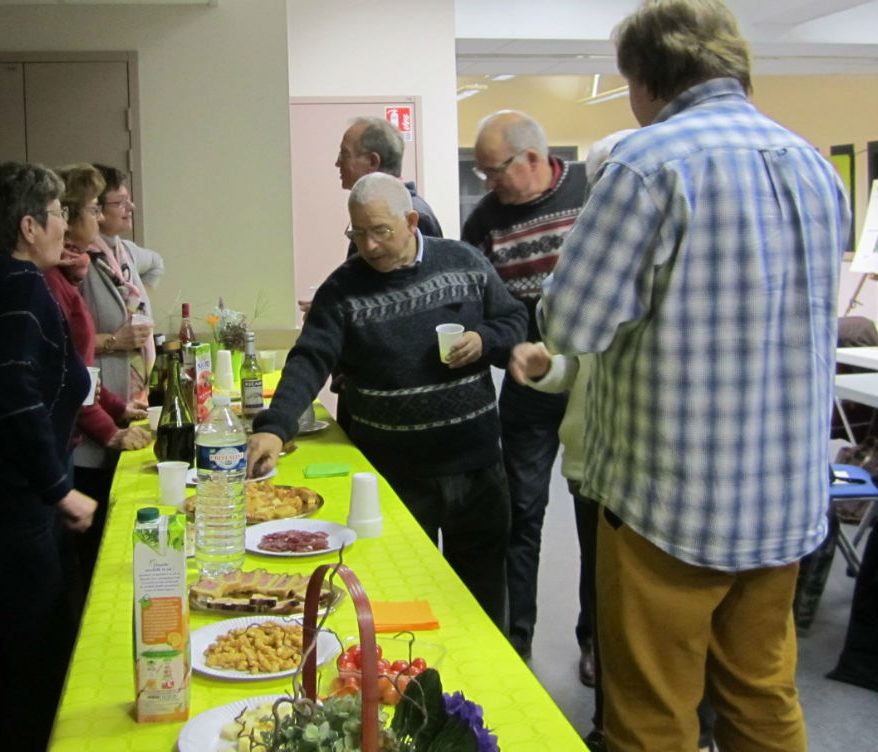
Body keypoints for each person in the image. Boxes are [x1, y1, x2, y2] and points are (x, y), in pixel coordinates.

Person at [539, 2, 850, 751]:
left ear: (647, 79)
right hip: (782, 503)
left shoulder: (648, 164)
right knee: (762, 695)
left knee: (652, 714)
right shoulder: (813, 165)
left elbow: (572, 327)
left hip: (666, 506)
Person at [249, 172, 527, 626]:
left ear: (412, 220)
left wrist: (485, 339)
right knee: (401, 601)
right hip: (395, 476)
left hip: (476, 466)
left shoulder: (464, 262)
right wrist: (274, 427)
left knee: (479, 604)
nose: (369, 246)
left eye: (380, 231)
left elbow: (514, 319)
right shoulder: (341, 290)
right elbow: (309, 359)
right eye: (357, 233)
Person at [461, 109, 589, 665]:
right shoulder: (484, 221)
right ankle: (517, 640)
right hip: (525, 386)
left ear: (532, 158)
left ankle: (596, 644)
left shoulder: (592, 190)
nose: (485, 184)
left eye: (493, 171)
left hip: (592, 385)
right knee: (522, 514)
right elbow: (481, 309)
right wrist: (493, 344)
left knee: (596, 521)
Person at [0, 161, 98, 751]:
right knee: (35, 653)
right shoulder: (21, 286)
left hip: (24, 494)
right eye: (59, 213)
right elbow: (14, 394)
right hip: (19, 504)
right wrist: (58, 489)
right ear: (30, 226)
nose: (65, 224)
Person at [44, 163, 150, 594]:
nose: (94, 217)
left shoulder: (77, 270)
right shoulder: (53, 282)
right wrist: (109, 430)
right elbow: (72, 374)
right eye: (90, 207)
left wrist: (118, 407)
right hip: (75, 443)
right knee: (79, 570)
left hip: (89, 427)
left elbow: (81, 369)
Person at [335, 116, 443, 254]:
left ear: (373, 162)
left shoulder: (414, 216)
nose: (338, 163)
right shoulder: (387, 208)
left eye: (345, 154)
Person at [93, 163, 165, 294]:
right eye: (120, 202)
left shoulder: (127, 251)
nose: (131, 207)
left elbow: (157, 263)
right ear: (96, 209)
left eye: (129, 200)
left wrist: (140, 297)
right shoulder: (86, 263)